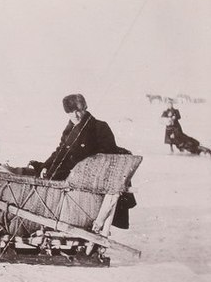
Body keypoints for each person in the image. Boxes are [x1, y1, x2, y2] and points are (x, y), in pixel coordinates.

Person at [29, 93, 136, 228]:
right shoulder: (69, 130)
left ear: (85, 108)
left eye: (79, 110)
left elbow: (107, 156)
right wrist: (45, 166)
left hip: (91, 181)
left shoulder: (100, 127)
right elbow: (60, 151)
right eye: (71, 112)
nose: (76, 115)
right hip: (73, 178)